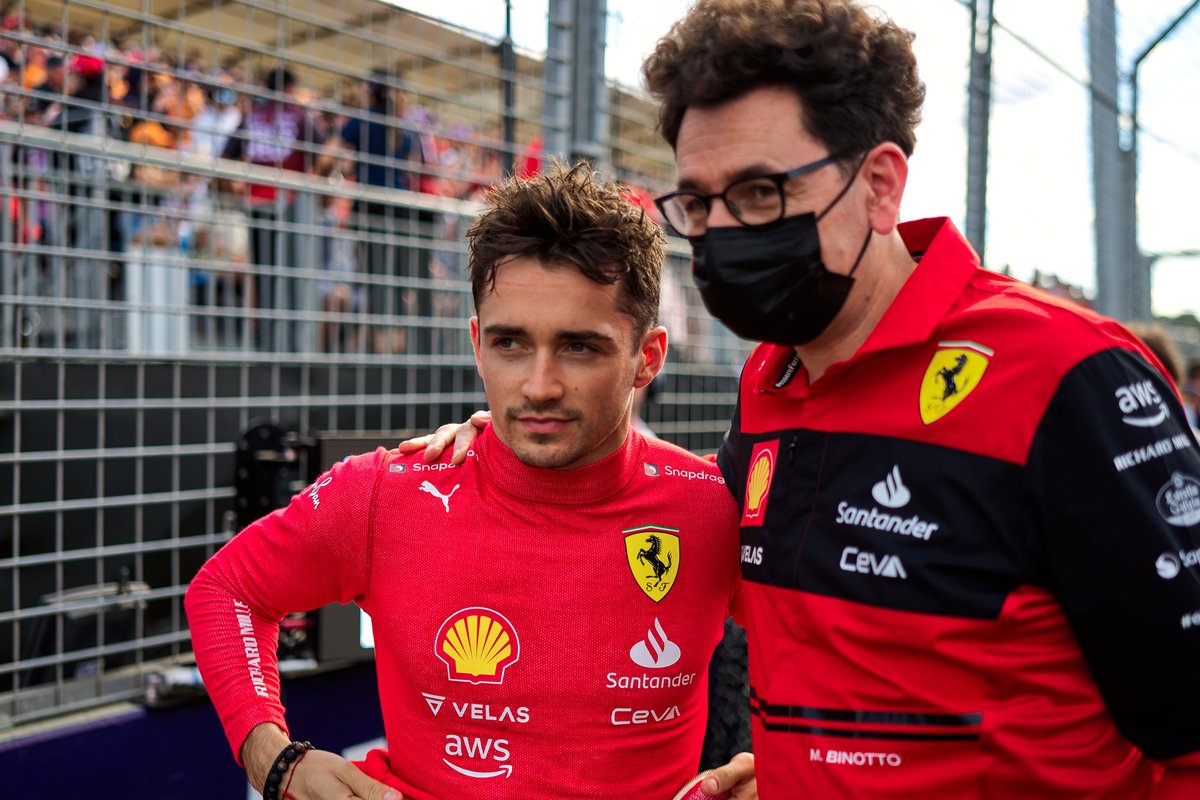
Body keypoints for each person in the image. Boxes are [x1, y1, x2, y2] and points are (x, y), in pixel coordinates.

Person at [412, 1, 1200, 796]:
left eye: (758, 194)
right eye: (699, 202)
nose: (722, 232)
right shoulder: (766, 386)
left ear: (881, 185)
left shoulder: (1069, 375)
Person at [185, 162, 756, 800]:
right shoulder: (388, 493)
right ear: (478, 343)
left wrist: (788, 766)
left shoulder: (710, 507)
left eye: (579, 347)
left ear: (646, 357)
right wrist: (273, 757)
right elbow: (225, 589)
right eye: (512, 343)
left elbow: (841, 642)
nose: (539, 386)